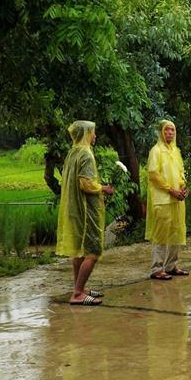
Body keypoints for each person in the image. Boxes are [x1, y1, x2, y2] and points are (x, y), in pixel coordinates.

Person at [56, 121, 113, 305]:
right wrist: (103, 189)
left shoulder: (73, 152)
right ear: (86, 134)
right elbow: (86, 184)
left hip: (76, 209)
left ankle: (78, 288)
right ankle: (78, 294)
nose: (95, 136)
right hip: (87, 211)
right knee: (93, 251)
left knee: (80, 250)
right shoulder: (86, 154)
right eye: (93, 133)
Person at [146, 120, 189, 280]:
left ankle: (171, 266)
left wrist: (183, 187)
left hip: (177, 199)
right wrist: (171, 190)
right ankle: (157, 268)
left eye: (172, 130)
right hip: (162, 199)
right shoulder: (156, 151)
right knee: (161, 234)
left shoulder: (175, 151)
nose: (170, 133)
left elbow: (180, 172)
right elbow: (153, 175)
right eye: (166, 130)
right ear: (161, 132)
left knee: (176, 231)